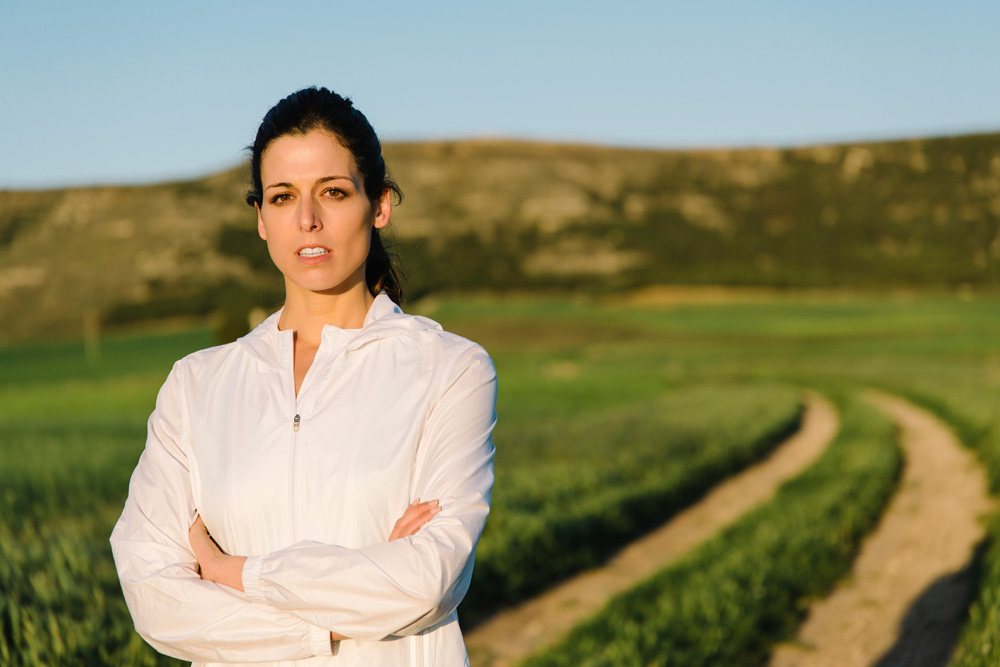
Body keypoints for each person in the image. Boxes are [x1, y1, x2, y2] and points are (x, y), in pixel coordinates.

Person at [110, 86, 497, 666]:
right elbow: (153, 594)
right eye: (283, 197)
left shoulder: (451, 369)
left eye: (334, 193)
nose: (308, 221)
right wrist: (333, 624)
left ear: (381, 204)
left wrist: (230, 573)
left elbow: (427, 580)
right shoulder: (196, 386)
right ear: (261, 218)